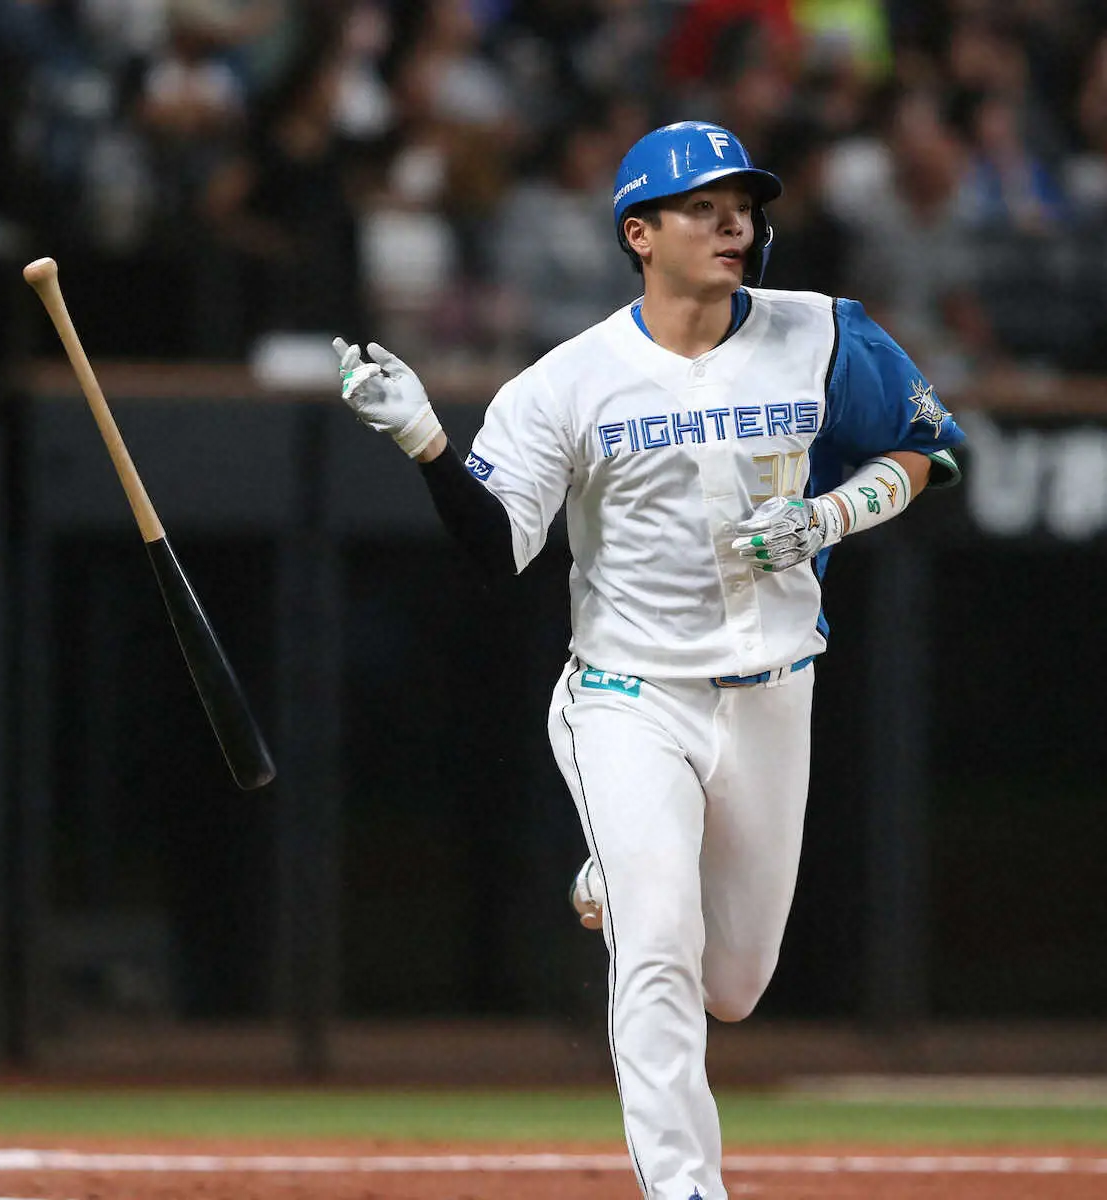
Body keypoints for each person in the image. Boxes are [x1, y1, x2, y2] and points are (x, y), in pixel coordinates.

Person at [332, 120, 965, 1200]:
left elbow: (930, 448)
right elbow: (496, 549)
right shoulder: (568, 381)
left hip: (773, 691)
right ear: (640, 232)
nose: (733, 225)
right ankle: (684, 1186)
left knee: (735, 984)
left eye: (742, 207)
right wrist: (426, 442)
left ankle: (619, 872)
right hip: (629, 694)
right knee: (660, 944)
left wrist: (830, 514)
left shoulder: (820, 332)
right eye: (702, 208)